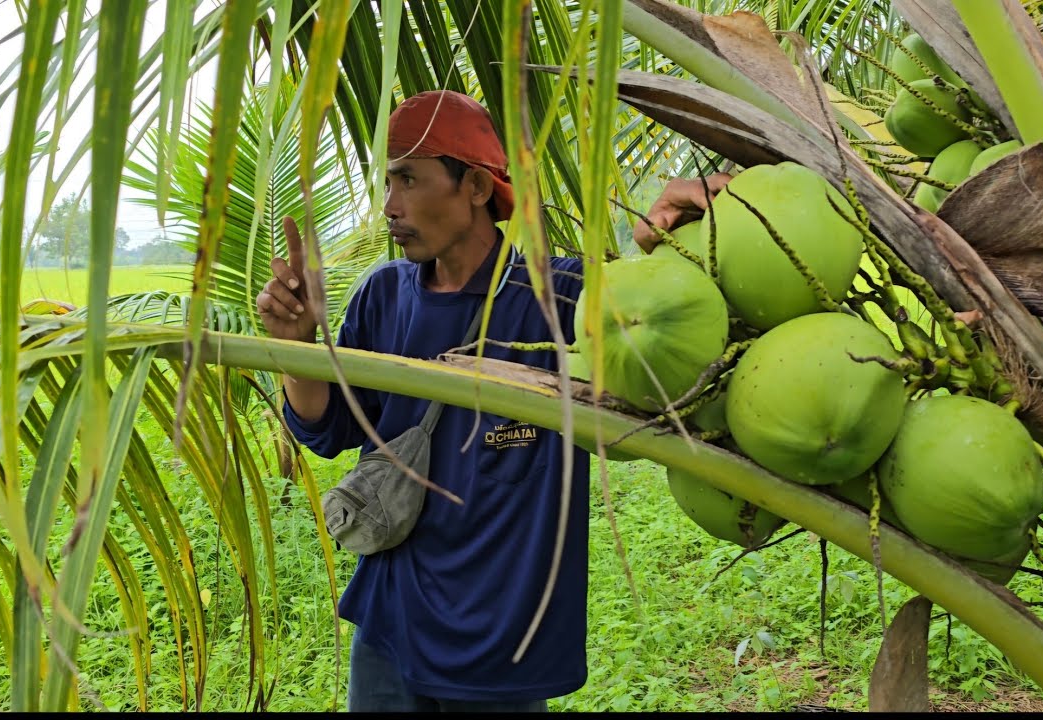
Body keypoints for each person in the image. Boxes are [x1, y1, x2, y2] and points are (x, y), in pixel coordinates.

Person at [257, 89, 730, 712]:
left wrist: (664, 236)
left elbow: (661, 319)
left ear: (476, 188)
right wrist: (297, 352)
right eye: (387, 181)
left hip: (503, 641)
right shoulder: (384, 297)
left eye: (408, 180)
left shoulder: (562, 295)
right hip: (391, 631)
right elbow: (328, 430)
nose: (390, 205)